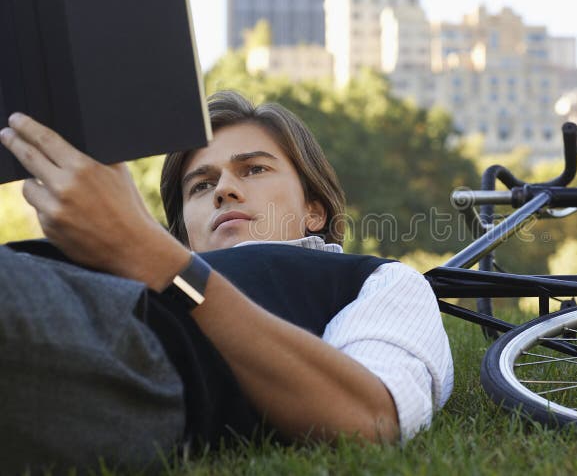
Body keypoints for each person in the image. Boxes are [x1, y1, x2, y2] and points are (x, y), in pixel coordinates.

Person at [0, 91, 453, 472]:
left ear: (314, 210)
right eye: (200, 185)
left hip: (127, 351)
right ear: (186, 234)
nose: (222, 189)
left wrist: (161, 261)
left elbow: (369, 419)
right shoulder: (155, 265)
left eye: (254, 169)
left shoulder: (375, 281)